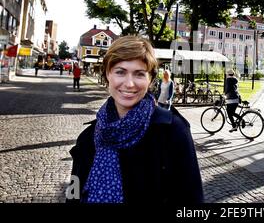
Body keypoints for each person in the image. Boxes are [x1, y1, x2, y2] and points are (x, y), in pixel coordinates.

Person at [67, 35, 203, 203]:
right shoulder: (88, 138)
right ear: (107, 74)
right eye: (120, 72)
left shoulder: (172, 131)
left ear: (151, 79)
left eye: (139, 74)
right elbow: (73, 195)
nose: (129, 84)